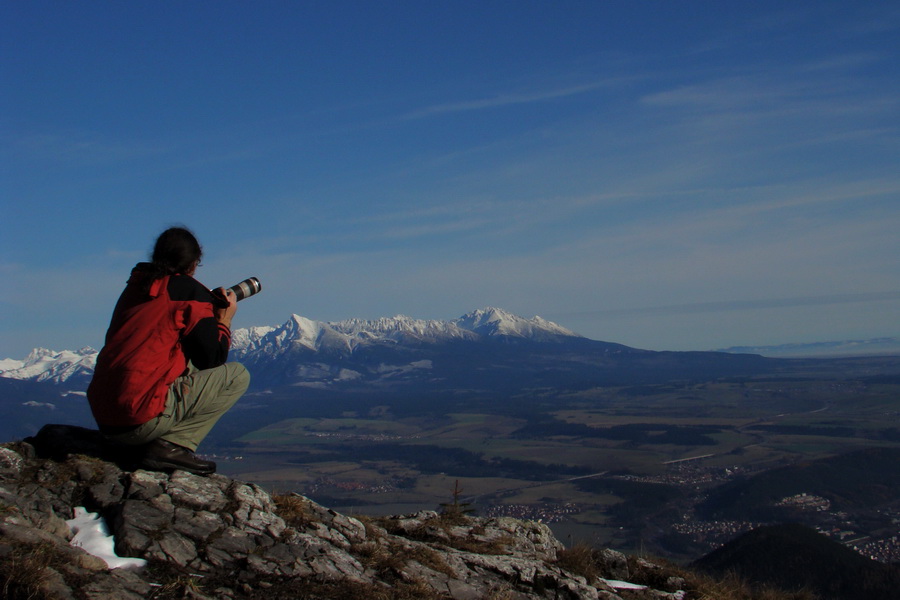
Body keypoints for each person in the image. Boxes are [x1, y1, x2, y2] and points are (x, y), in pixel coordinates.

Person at [87, 226, 250, 475]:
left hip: (105, 416)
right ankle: (171, 446)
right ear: (194, 264)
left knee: (186, 363)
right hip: (138, 420)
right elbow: (213, 359)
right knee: (237, 375)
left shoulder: (136, 287)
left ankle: (146, 441)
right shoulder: (192, 295)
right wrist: (223, 319)